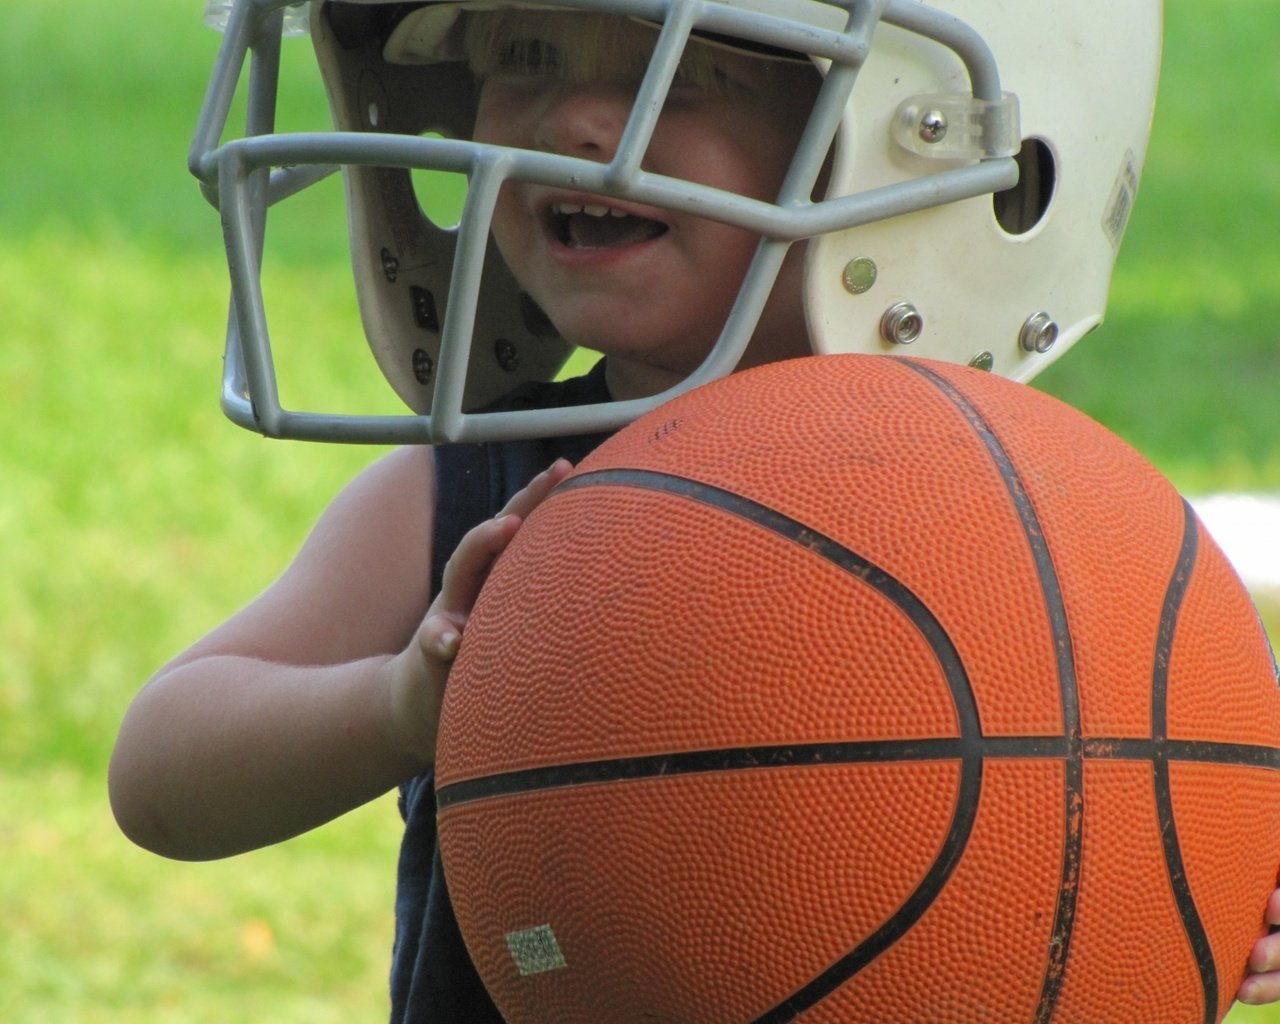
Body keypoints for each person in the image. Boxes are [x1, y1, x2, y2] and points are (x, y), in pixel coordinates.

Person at [109, 0, 1280, 1019]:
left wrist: (1230, 871)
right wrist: (399, 706)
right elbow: (161, 768)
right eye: (524, 52)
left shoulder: (1046, 528)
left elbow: (1193, 785)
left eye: (689, 72)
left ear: (901, 144)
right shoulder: (464, 500)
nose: (573, 122)